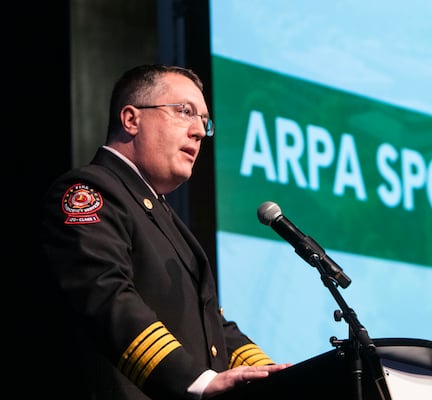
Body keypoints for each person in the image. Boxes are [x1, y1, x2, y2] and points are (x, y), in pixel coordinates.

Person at [39, 64, 290, 399]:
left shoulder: (161, 214)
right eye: (185, 112)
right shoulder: (89, 191)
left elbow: (210, 325)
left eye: (204, 121)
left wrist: (277, 377)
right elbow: (105, 295)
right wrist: (197, 382)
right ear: (131, 120)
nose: (199, 131)